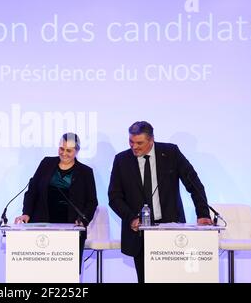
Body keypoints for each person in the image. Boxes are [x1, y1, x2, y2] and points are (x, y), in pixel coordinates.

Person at [108, 121, 212, 283]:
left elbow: (194, 184)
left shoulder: (171, 153)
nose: (134, 147)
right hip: (140, 233)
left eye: (139, 143)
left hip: (170, 229)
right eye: (131, 142)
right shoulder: (122, 160)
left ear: (151, 140)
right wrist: (131, 218)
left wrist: (203, 214)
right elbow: (114, 197)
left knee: (173, 278)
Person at [14, 133, 98, 270]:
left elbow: (92, 202)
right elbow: (32, 191)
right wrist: (26, 213)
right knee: (41, 271)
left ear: (77, 151)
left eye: (69, 150)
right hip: (42, 224)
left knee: (67, 272)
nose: (64, 153)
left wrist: (83, 220)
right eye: (61, 149)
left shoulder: (85, 172)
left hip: (71, 228)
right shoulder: (46, 163)